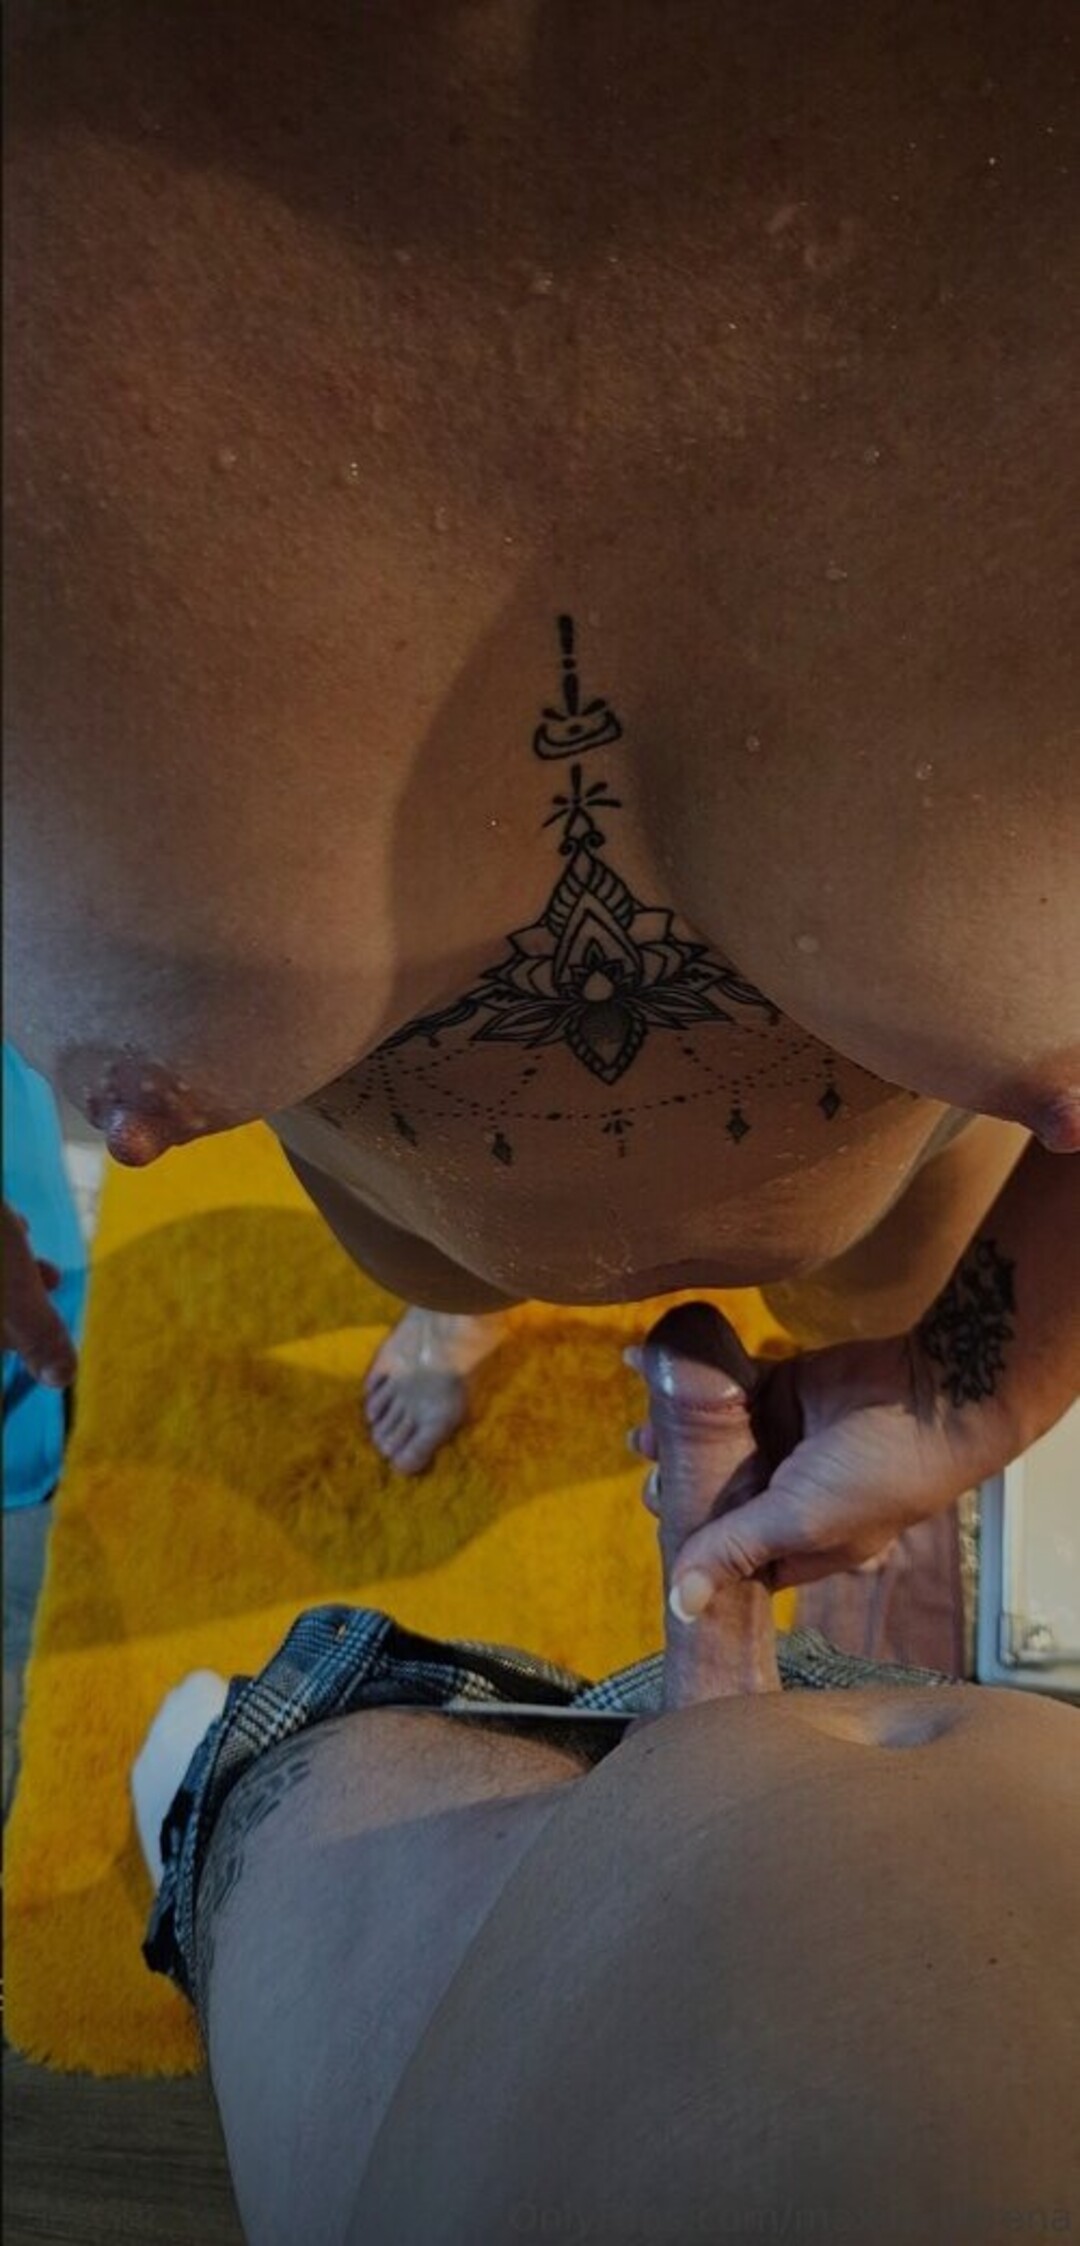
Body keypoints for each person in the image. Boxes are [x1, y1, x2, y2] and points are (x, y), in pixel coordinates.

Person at [4, 0, 1078, 1612]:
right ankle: (464, 1305)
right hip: (410, 1206)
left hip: (918, 1199)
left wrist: (979, 1374)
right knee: (445, 1258)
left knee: (873, 1283)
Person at [132, 1307, 1080, 2244]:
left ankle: (713, 1681)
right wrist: (965, 1401)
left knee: (225, 1779)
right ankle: (720, 1695)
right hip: (954, 1772)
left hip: (536, 1880)